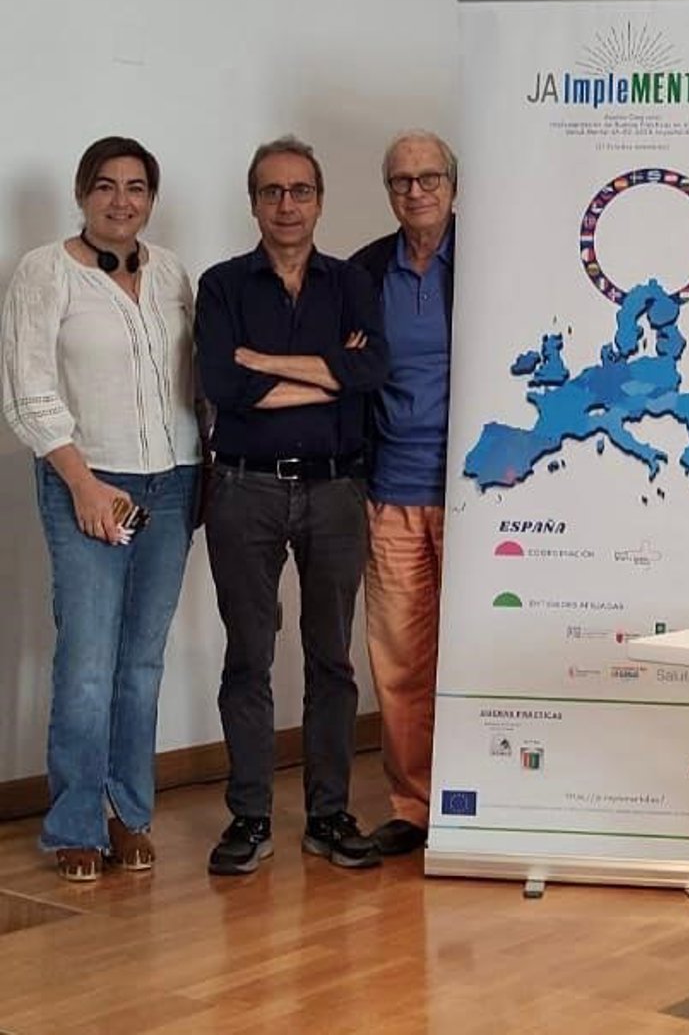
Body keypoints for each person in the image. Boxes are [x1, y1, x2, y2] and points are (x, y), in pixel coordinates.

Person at [1, 136, 201, 882]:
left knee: (141, 662)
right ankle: (74, 823)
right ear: (82, 193)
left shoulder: (172, 273)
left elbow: (194, 378)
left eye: (137, 187)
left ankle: (128, 813)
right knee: (87, 662)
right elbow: (27, 391)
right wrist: (84, 486)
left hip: (171, 484)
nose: (122, 200)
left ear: (152, 198)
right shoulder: (43, 273)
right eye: (106, 185)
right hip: (89, 478)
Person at [196, 135, 388, 875]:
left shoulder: (352, 282)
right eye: (272, 191)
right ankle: (249, 816)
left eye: (300, 190)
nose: (286, 204)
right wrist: (329, 374)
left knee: (330, 658)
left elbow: (372, 370)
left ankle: (329, 814)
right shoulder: (222, 286)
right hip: (244, 489)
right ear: (254, 202)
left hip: (336, 489)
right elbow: (223, 384)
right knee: (248, 656)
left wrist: (267, 364)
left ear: (320, 201)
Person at [350, 130, 456, 856]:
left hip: (482, 495)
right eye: (401, 181)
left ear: (453, 185)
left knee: (475, 651)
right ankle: (414, 807)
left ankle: (477, 799)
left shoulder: (493, 262)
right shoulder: (363, 273)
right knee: (399, 660)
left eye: (429, 178)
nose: (415, 192)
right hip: (390, 489)